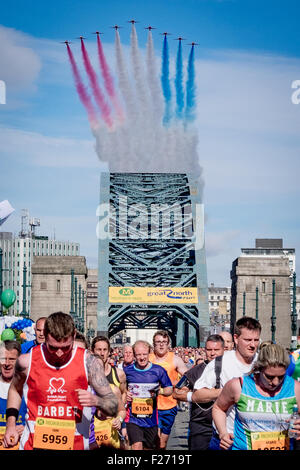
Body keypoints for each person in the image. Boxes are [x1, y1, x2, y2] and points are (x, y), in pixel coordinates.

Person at [3, 311, 118, 450]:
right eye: (53, 347)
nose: (59, 353)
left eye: (65, 348)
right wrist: (11, 425)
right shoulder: (26, 362)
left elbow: (113, 406)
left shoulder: (89, 363)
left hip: (76, 444)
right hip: (33, 444)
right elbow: (15, 390)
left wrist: (96, 401)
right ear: (44, 336)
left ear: (74, 335)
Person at [212, 343, 300, 450]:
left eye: (281, 377)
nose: (276, 382)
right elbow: (218, 408)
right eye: (269, 377)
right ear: (259, 368)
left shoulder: (295, 388)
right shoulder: (238, 385)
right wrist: (223, 433)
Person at [192, 316, 262, 450]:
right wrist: (227, 393)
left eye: (256, 340)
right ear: (236, 338)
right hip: (227, 439)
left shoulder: (264, 362)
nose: (253, 345)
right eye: (247, 340)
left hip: (258, 439)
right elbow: (197, 395)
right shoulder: (220, 363)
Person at [173, 334, 225, 450]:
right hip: (201, 426)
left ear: (224, 350)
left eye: (216, 350)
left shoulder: (231, 368)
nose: (212, 353)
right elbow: (176, 392)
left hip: (226, 425)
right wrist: (195, 395)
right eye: (209, 349)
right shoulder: (194, 371)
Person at [125, 340, 173, 450]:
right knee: (136, 445)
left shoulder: (158, 370)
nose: (142, 358)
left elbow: (169, 389)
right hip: (133, 418)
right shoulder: (127, 371)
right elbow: (120, 388)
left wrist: (159, 392)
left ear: (149, 353)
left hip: (151, 419)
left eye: (144, 354)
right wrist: (125, 393)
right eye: (138, 355)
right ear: (134, 355)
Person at [149, 330, 188, 449]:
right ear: (153, 344)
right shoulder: (148, 359)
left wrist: (175, 384)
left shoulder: (175, 359)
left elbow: (188, 377)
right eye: (158, 342)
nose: (161, 345)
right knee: (153, 441)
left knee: (162, 443)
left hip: (168, 406)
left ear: (168, 344)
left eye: (164, 342)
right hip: (151, 405)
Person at [89, 336, 127, 450]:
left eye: (105, 350)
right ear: (92, 351)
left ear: (109, 352)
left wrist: (119, 419)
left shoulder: (119, 374)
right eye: (99, 350)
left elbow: (123, 394)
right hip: (91, 429)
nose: (102, 353)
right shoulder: (85, 376)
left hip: (111, 425)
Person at [0, 340, 27, 450]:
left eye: (11, 359)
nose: (6, 364)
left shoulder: (28, 387)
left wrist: (26, 428)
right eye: (3, 359)